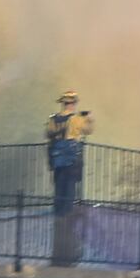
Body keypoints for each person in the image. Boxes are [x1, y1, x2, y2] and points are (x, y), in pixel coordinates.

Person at [46, 90, 92, 263]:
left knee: (58, 188)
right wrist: (88, 118)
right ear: (72, 104)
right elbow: (88, 130)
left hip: (57, 159)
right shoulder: (76, 119)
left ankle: (58, 213)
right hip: (71, 160)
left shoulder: (53, 119)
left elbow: (48, 134)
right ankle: (67, 217)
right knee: (70, 190)